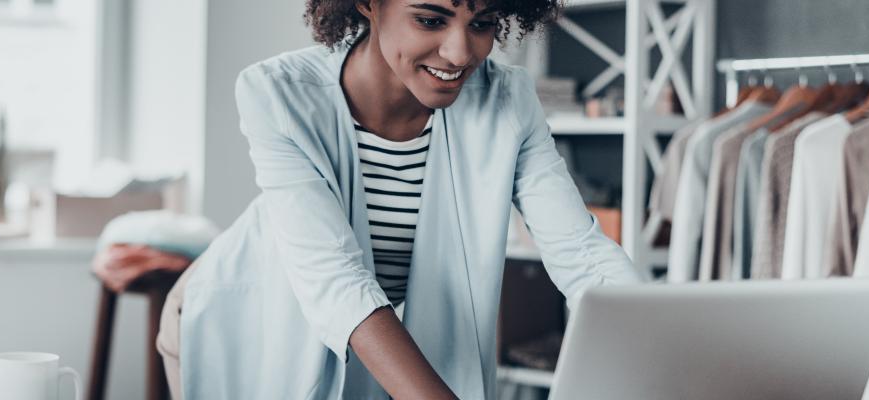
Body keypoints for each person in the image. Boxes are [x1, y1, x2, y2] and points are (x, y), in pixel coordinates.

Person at [156, 0, 644, 398]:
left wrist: (663, 346)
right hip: (244, 317)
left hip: (376, 334)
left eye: (482, 23)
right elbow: (336, 279)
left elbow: (581, 253)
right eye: (430, 20)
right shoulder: (278, 93)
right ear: (369, 4)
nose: (459, 52)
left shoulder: (507, 100)